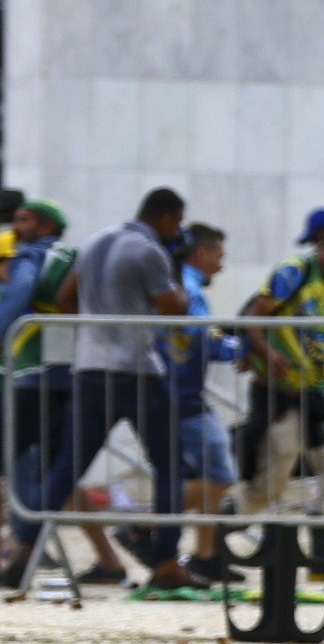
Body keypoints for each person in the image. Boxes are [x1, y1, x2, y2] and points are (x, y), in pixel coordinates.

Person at [11, 189, 196, 590]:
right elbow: (175, 309)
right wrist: (177, 268)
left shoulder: (94, 241)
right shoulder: (149, 251)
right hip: (137, 370)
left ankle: (23, 549)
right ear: (167, 219)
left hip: (90, 367)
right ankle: (165, 560)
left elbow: (64, 299)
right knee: (168, 465)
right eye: (176, 224)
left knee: (66, 467)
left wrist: (97, 324)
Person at [240, 219, 324, 579]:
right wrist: (266, 352)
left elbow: (319, 335)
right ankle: (226, 524)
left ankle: (322, 564)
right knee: (272, 478)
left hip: (314, 396)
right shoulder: (294, 272)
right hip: (278, 394)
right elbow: (254, 317)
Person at [0, 199, 77, 586]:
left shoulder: (32, 255)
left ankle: (22, 550)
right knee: (52, 469)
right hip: (68, 376)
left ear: (46, 227)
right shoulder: (69, 256)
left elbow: (19, 294)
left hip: (32, 375)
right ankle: (25, 551)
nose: (15, 226)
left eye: (23, 220)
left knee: (15, 460)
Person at [164, 224, 241, 583]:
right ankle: (142, 523)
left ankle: (206, 556)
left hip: (179, 391)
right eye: (219, 256)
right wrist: (241, 348)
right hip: (182, 394)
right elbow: (201, 339)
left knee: (207, 474)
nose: (222, 265)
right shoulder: (190, 287)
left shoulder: (181, 282)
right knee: (221, 473)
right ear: (202, 254)